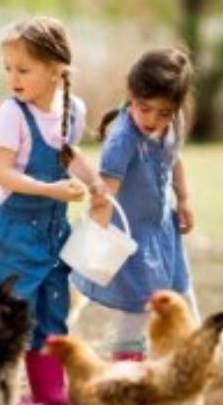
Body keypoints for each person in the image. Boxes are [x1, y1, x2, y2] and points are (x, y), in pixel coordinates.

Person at [0, 16, 107, 405]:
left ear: (57, 70)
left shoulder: (74, 110)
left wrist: (95, 185)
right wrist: (54, 190)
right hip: (12, 229)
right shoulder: (12, 114)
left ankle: (49, 392)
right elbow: (2, 173)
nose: (13, 78)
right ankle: (7, 394)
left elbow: (68, 155)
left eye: (23, 69)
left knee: (54, 303)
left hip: (53, 229)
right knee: (14, 312)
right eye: (8, 69)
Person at [73, 48, 199, 361]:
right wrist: (92, 242)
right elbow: (105, 197)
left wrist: (183, 198)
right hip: (132, 242)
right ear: (130, 95)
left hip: (162, 233)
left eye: (164, 112)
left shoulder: (172, 123)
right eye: (145, 109)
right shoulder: (122, 141)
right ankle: (126, 374)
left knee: (184, 300)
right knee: (138, 311)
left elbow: (174, 159)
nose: (154, 120)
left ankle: (196, 365)